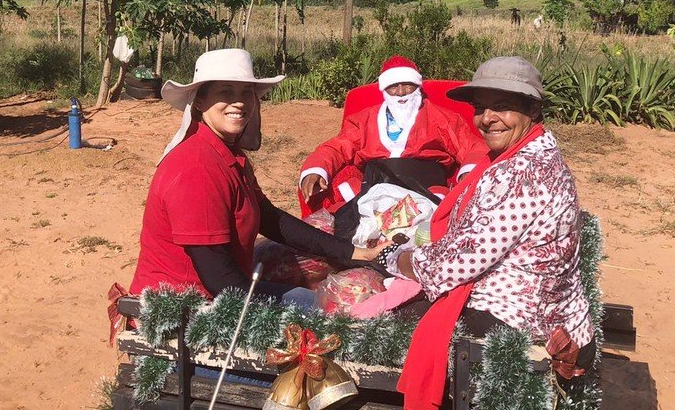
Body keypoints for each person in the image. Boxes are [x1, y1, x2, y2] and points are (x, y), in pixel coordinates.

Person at [383, 56, 595, 410]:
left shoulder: (526, 172)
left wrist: (397, 259)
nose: (487, 119)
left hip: (520, 319)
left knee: (386, 314)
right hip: (533, 305)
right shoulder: (521, 155)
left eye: (503, 106)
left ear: (533, 109)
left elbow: (464, 260)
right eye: (480, 108)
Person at [128, 49, 386, 305]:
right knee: (322, 309)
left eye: (246, 93)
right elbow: (217, 276)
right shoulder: (198, 168)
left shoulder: (225, 154)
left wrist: (353, 251)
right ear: (199, 101)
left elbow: (271, 219)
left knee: (311, 301)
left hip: (224, 289)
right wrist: (273, 316)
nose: (239, 102)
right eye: (226, 92)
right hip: (188, 305)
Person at [298, 56, 490, 207]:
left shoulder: (443, 118)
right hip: (374, 187)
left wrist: (470, 172)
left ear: (418, 86)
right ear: (384, 89)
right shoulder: (363, 120)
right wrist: (316, 170)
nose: (401, 92)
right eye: (393, 86)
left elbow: (473, 146)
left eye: (407, 84)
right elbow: (337, 147)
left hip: (426, 188)